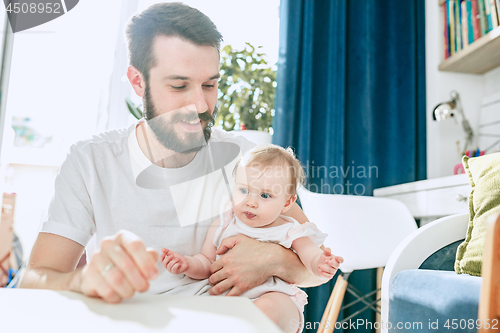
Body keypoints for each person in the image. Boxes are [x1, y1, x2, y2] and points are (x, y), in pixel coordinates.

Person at [20, 2, 325, 306]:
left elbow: (319, 271)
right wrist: (81, 280)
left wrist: (274, 259)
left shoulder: (246, 161)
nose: (201, 105)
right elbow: (34, 279)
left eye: (209, 85)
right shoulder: (91, 162)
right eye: (179, 86)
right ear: (138, 82)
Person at [161, 144, 343, 332]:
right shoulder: (224, 223)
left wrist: (321, 263)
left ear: (287, 203)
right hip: (229, 303)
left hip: (275, 298)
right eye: (244, 191)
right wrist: (187, 264)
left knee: (267, 309)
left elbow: (311, 255)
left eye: (265, 195)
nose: (251, 202)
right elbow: (208, 263)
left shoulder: (290, 230)